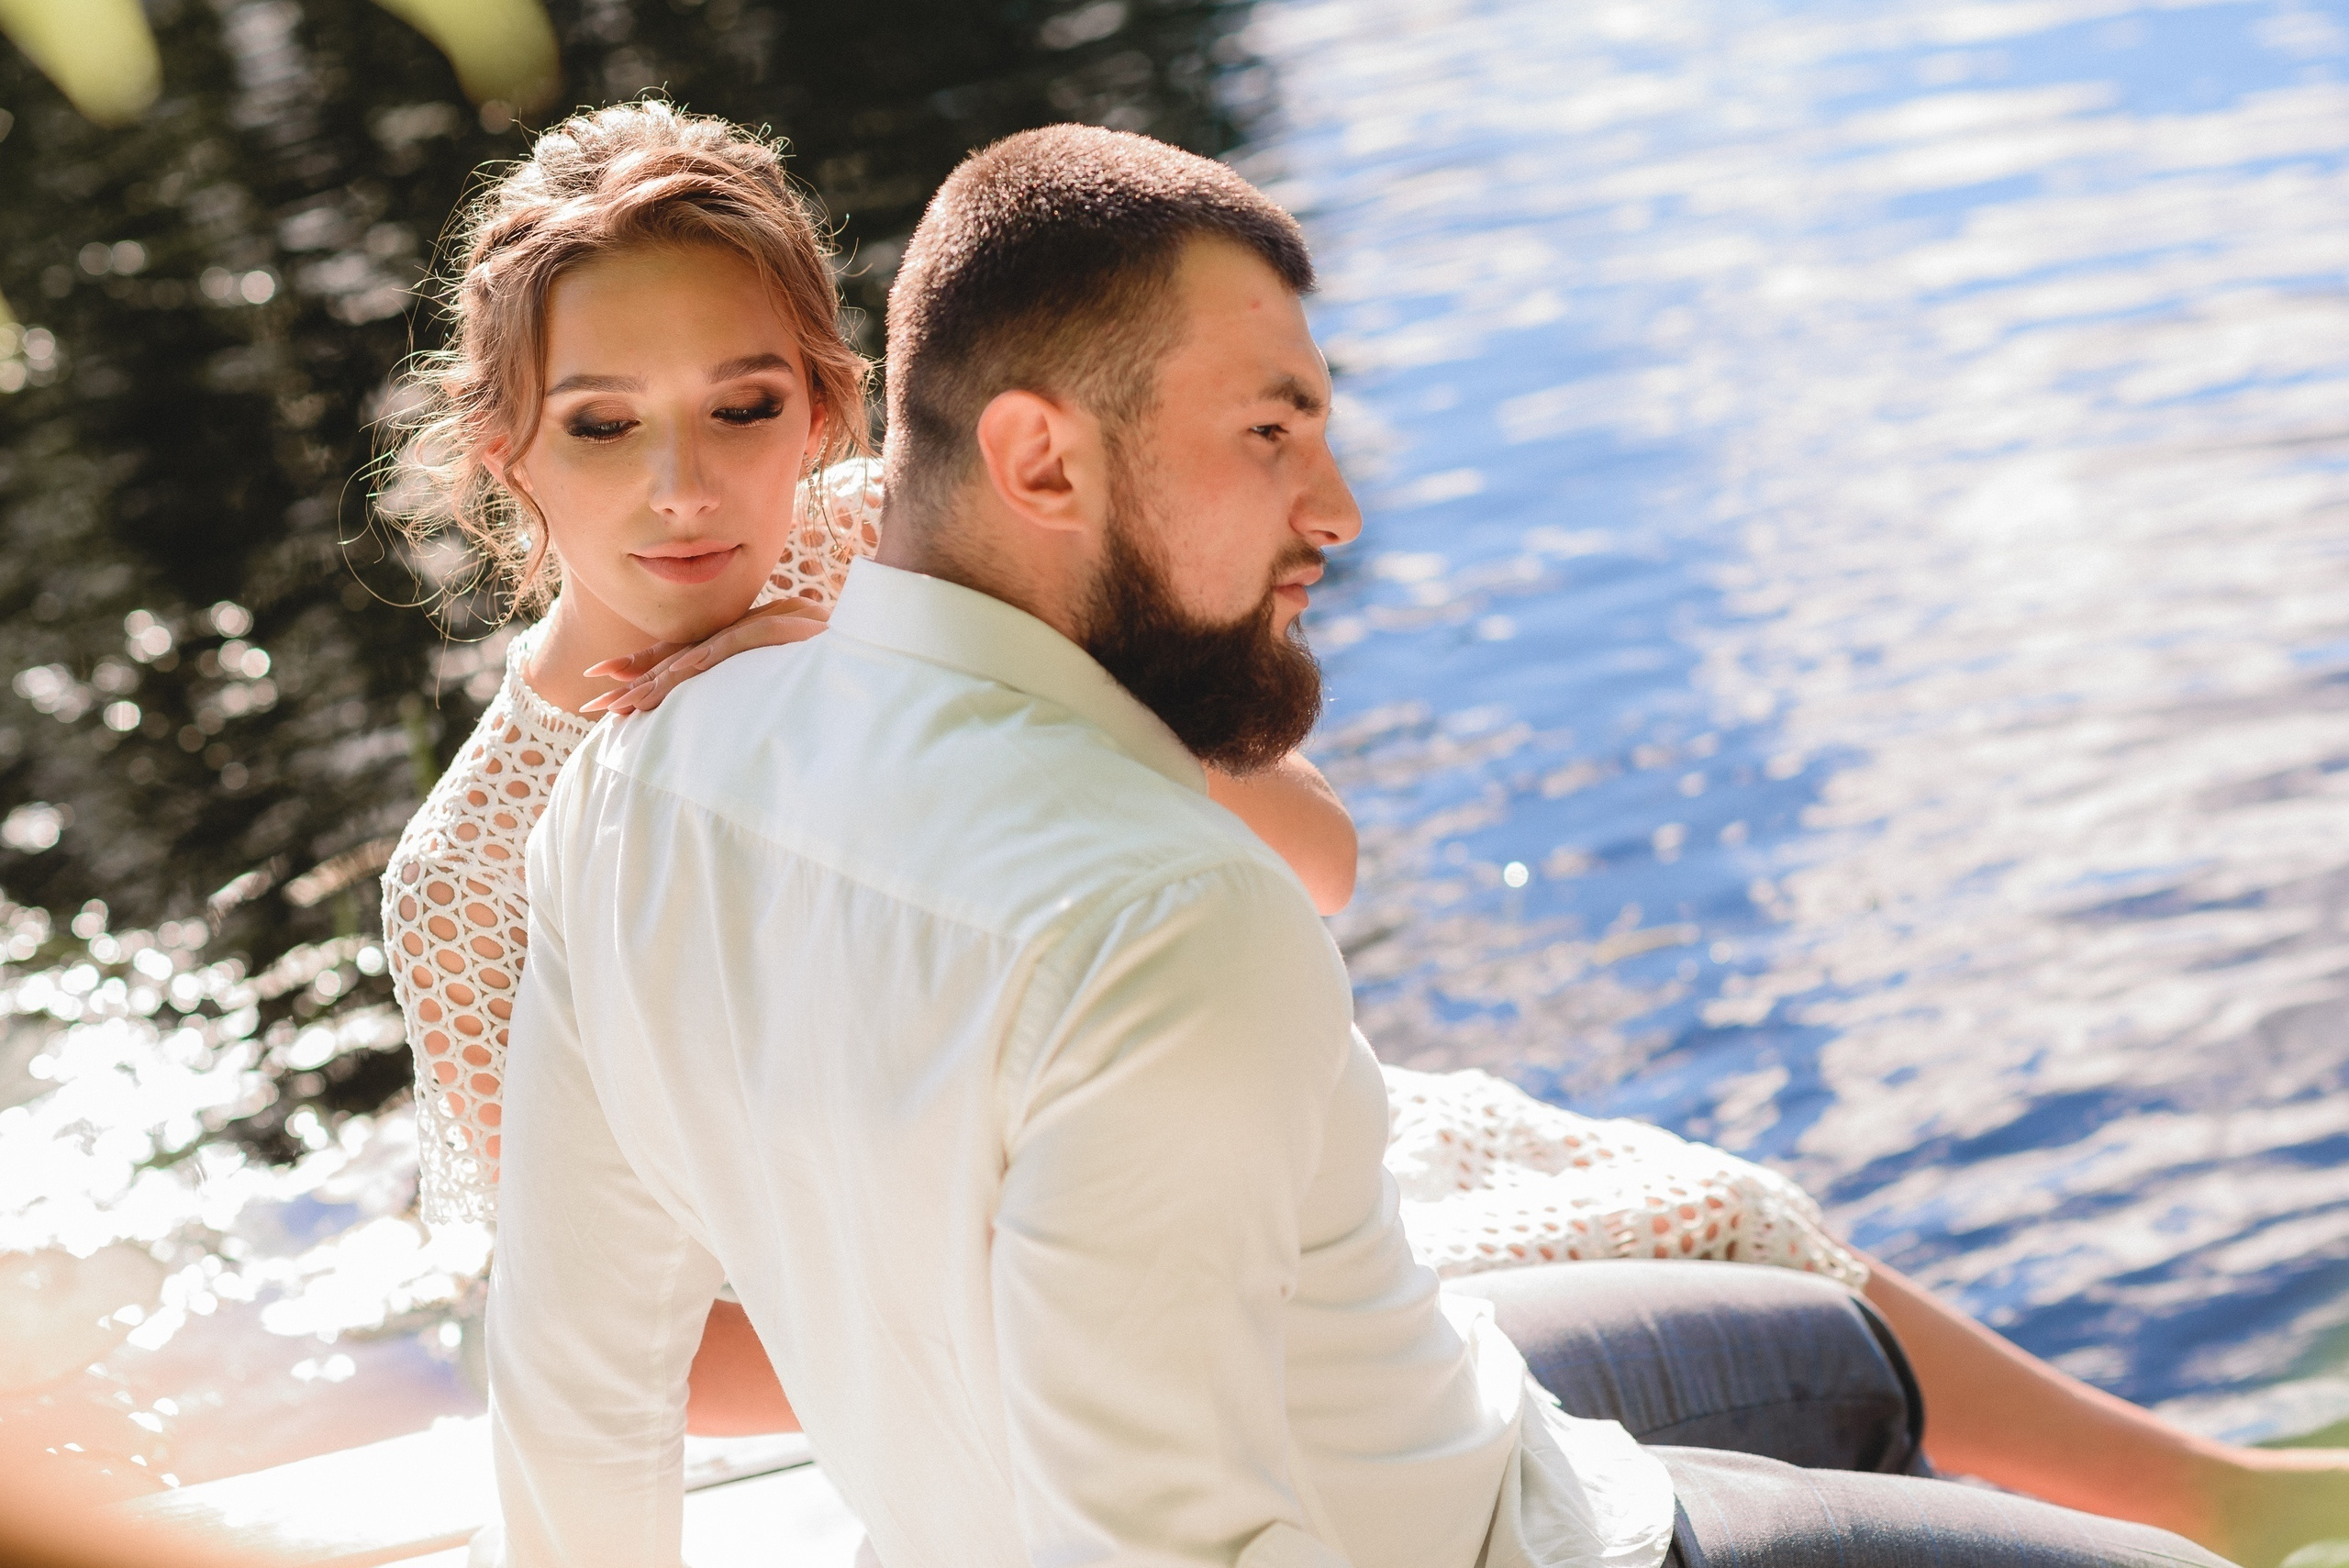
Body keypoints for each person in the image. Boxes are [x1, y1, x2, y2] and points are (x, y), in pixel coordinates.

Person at [380, 105, 2346, 1568]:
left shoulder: (884, 582)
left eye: (745, 409)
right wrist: (986, 1237)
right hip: (1047, 1280)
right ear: (503, 455)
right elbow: (617, 1345)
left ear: (828, 412)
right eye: (602, 425)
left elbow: (1298, 867)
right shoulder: (517, 855)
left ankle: (2230, 1492)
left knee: (1739, 1239)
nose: (686, 489)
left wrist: (930, 679)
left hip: (1239, 1157)